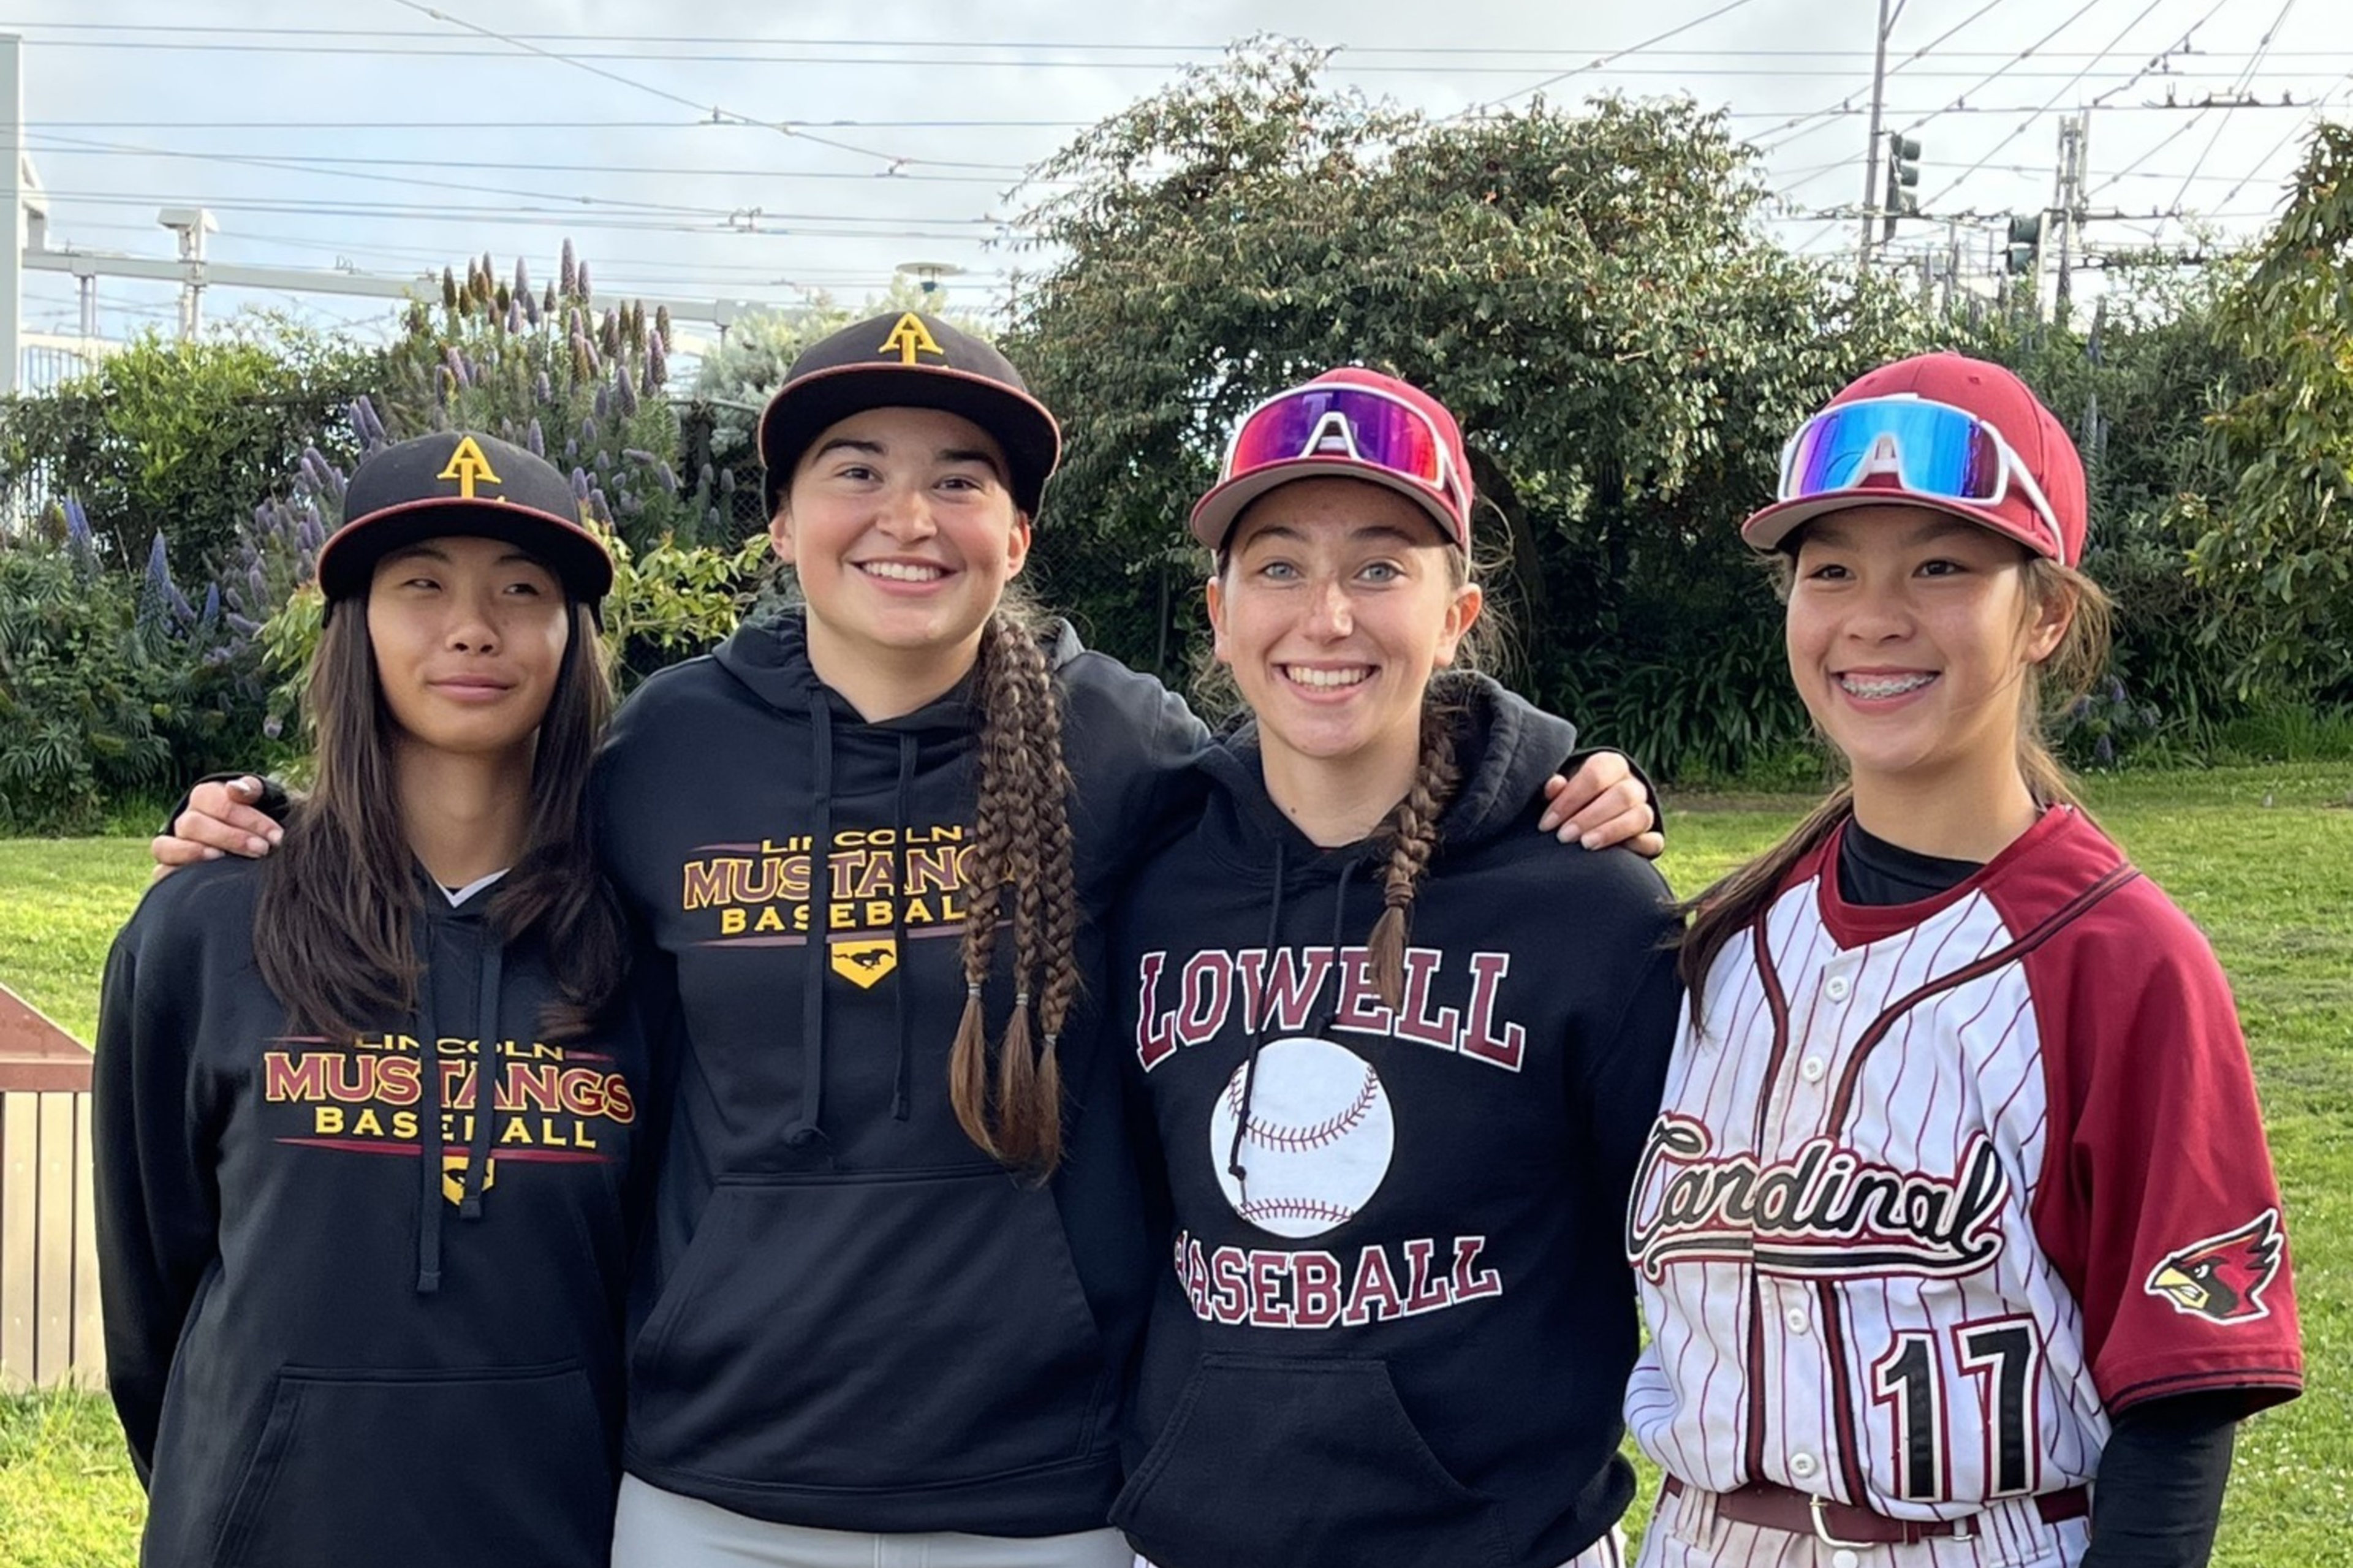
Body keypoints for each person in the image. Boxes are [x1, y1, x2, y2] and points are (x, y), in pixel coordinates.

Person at [153, 314, 1658, 1566]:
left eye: (958, 478)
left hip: (1043, 1495)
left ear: (1017, 530)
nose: (906, 516)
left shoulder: (1118, 739)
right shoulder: (670, 750)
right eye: (854, 468)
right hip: (711, 1489)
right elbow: (483, 834)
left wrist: (1530, 768)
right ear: (784, 516)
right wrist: (285, 812)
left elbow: (1326, 767)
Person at [1623, 354, 2303, 1568]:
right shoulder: (1722, 943)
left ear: (2044, 612)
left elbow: (2184, 1400)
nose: (1873, 616)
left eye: (1940, 566)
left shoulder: (2119, 960)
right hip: (1700, 1536)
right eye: (1830, 569)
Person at [1110, 368, 1683, 1568]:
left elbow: (1688, 1258)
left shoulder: (1587, 901)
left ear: (1457, 614)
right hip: (1193, 1541)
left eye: (1380, 567)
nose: (1328, 617)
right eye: (1278, 565)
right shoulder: (1146, 878)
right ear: (1218, 613)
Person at [96, 431, 654, 1568]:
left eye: (522, 588)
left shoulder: (639, 943)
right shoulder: (207, 927)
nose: (472, 625)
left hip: (556, 1534)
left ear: (571, 635)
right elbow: (149, 1287)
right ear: (354, 621)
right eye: (421, 584)